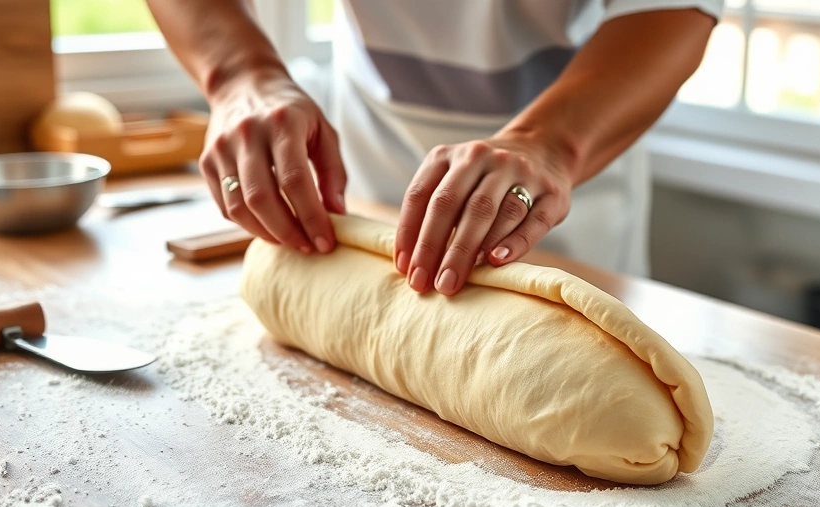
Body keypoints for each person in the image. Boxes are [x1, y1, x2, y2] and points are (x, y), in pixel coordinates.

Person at [147, 0, 719, 295]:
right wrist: (241, 74)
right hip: (366, 159)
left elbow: (669, 12)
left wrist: (548, 145)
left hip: (570, 153)